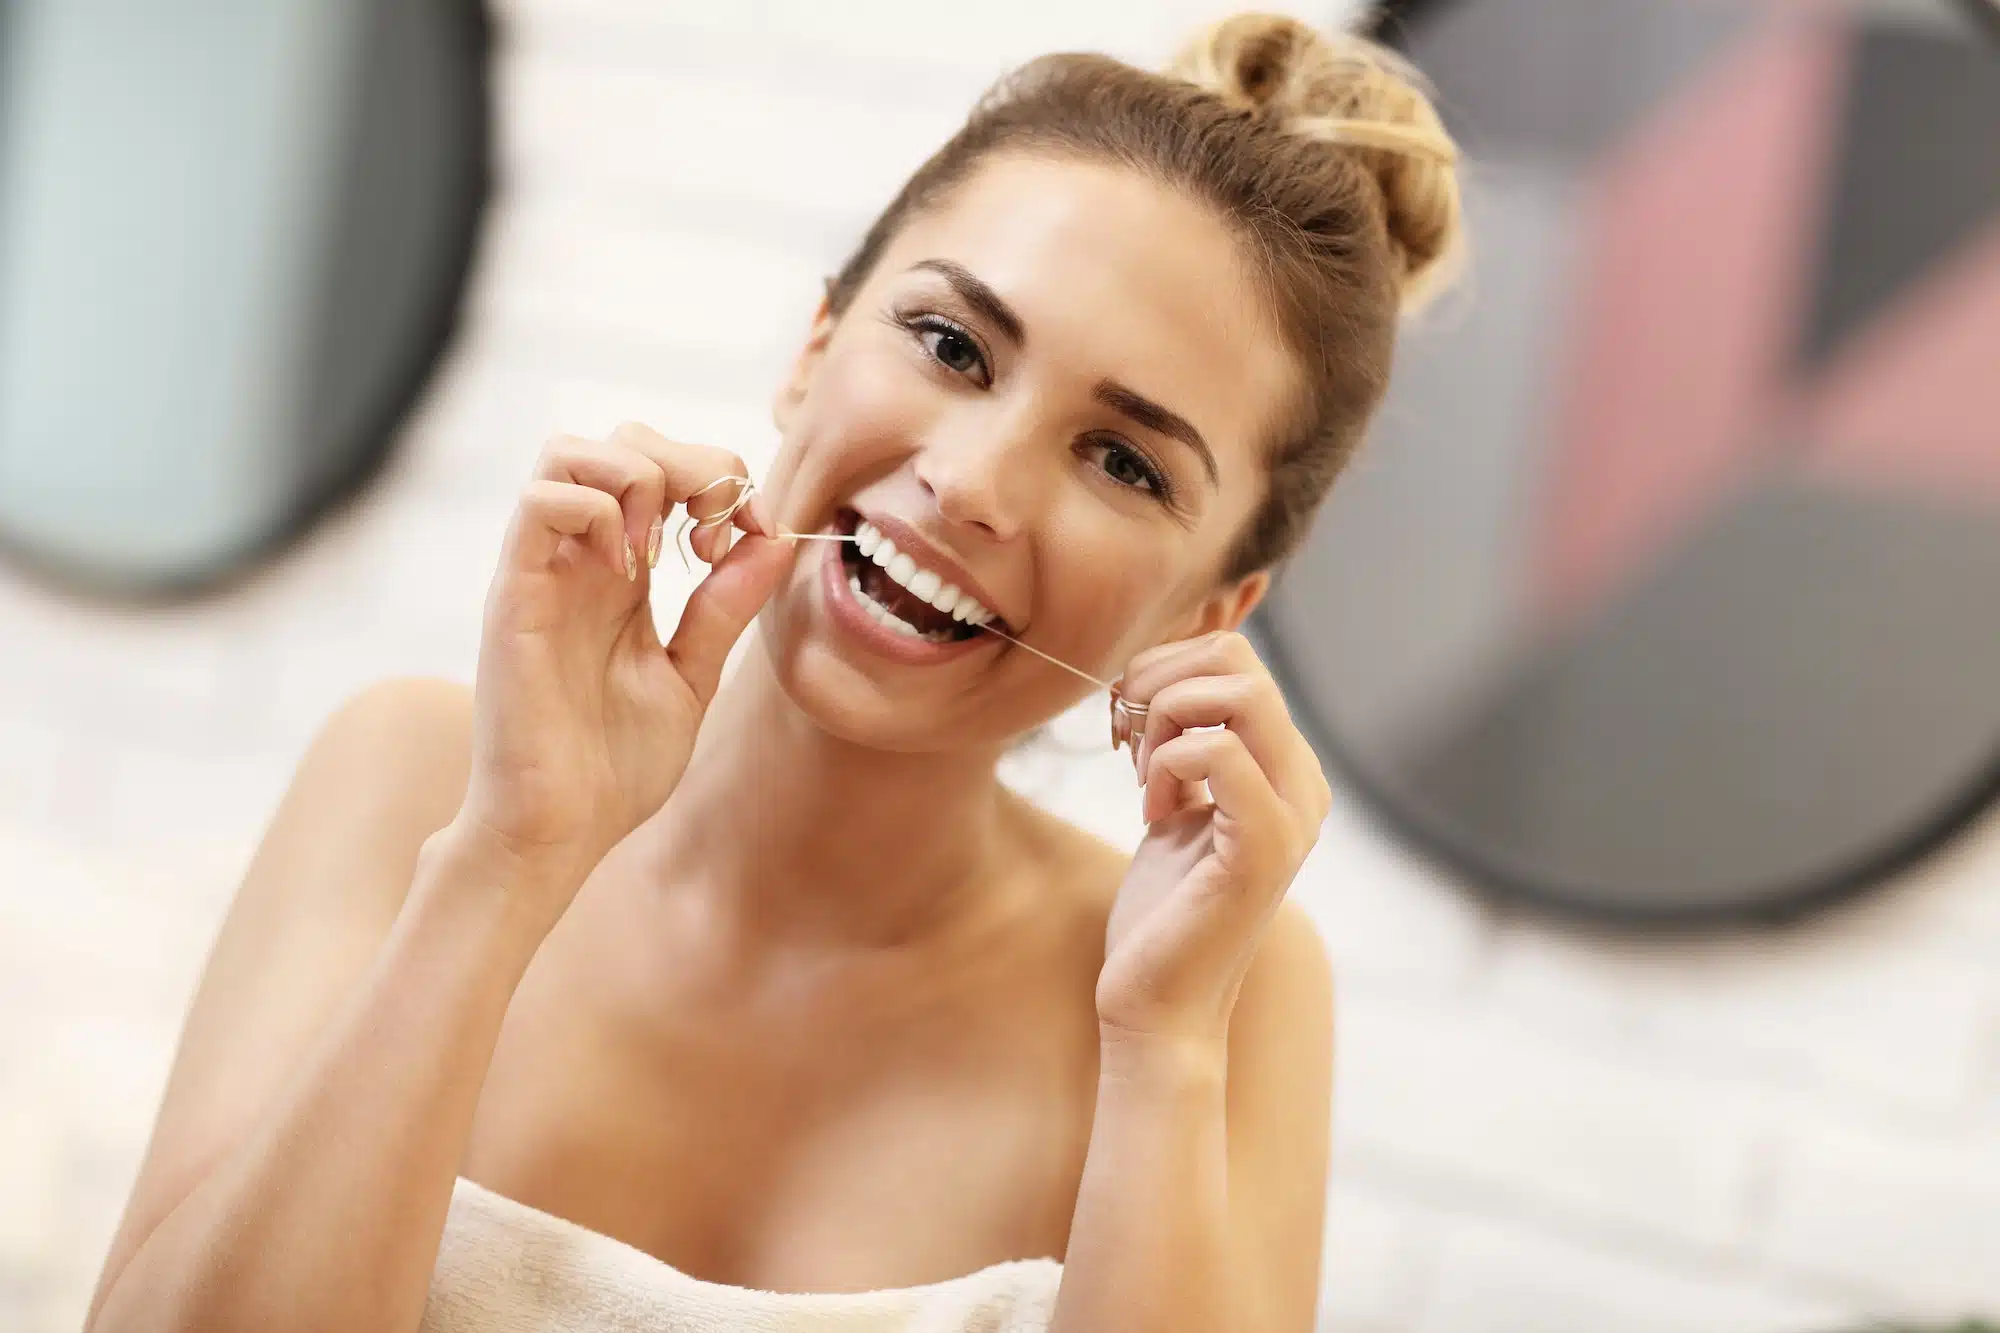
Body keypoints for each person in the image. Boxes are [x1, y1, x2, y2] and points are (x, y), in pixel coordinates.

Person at [84, 12, 1463, 1332]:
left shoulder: (1226, 990)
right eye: (950, 345)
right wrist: (509, 862)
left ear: (1209, 610)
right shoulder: (412, 781)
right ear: (814, 351)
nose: (971, 483)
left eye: (1124, 462)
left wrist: (1158, 1050)